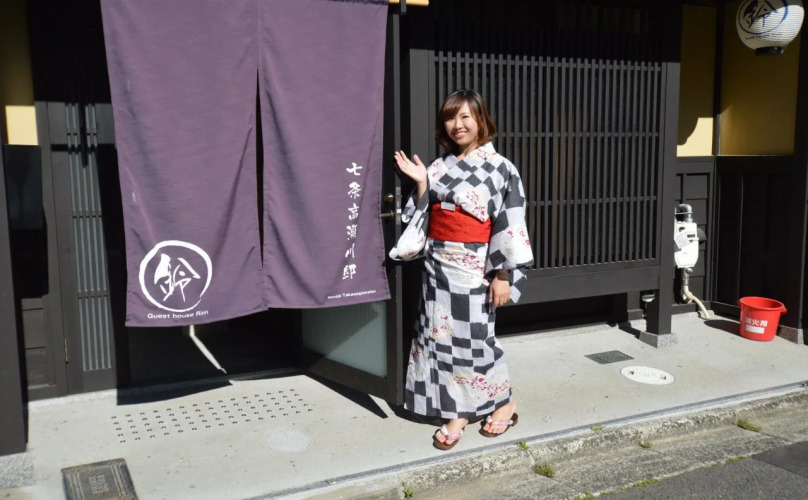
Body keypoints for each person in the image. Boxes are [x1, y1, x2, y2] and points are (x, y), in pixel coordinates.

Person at [392, 89, 534, 450]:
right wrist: (422, 183)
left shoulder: (501, 168)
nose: (457, 125)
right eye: (450, 118)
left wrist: (502, 275)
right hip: (437, 265)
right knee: (439, 339)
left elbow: (510, 222)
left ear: (481, 120)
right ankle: (458, 409)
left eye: (465, 116)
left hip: (475, 267)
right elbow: (423, 214)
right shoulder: (440, 166)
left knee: (475, 340)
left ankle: (503, 402)